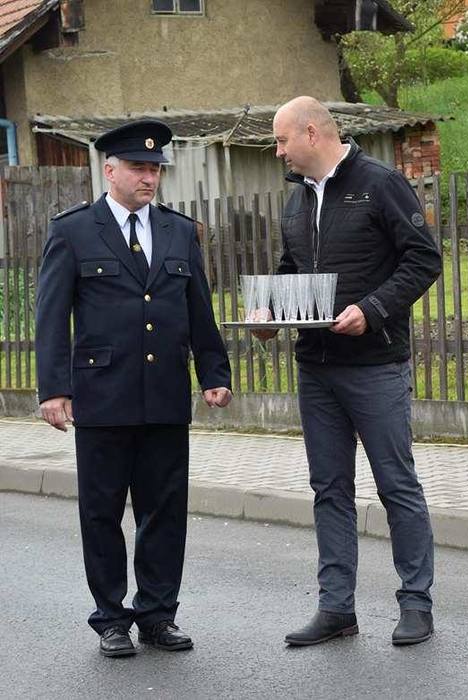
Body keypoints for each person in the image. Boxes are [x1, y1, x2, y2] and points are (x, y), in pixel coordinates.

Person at [35, 119, 232, 657]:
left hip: (165, 392)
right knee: (101, 512)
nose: (149, 178)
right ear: (110, 170)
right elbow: (51, 315)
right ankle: (111, 619)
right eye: (139, 168)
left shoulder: (177, 230)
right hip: (102, 396)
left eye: (155, 169)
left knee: (164, 510)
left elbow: (198, 307)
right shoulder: (74, 230)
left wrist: (214, 373)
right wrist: (53, 390)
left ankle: (158, 615)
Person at [253, 96, 442, 647]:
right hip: (316, 368)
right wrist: (269, 313)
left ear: (312, 133)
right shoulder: (296, 199)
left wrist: (373, 309)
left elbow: (424, 259)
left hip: (375, 365)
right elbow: (293, 270)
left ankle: (416, 603)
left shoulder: (380, 183)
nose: (278, 151)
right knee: (329, 489)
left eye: (282, 140)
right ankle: (336, 608)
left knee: (396, 485)